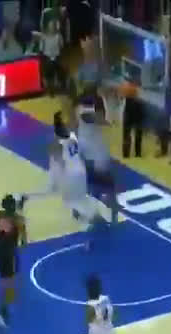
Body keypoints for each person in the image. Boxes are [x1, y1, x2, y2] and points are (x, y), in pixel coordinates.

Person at [21, 112, 106, 248]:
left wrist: (58, 175)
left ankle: (91, 220)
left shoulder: (57, 145)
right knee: (80, 197)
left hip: (71, 175)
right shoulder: (73, 137)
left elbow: (58, 162)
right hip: (81, 171)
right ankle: (91, 215)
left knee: (70, 200)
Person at [76, 85, 118, 224]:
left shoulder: (82, 110)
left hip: (90, 149)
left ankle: (91, 208)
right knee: (102, 181)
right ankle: (96, 209)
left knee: (97, 183)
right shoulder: (85, 113)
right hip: (91, 150)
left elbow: (100, 119)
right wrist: (109, 105)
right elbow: (101, 120)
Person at [0, 194, 27, 329]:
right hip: (8, 253)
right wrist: (20, 245)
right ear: (13, 206)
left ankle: (7, 300)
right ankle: (4, 307)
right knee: (7, 280)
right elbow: (24, 241)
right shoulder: (18, 220)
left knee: (5, 277)